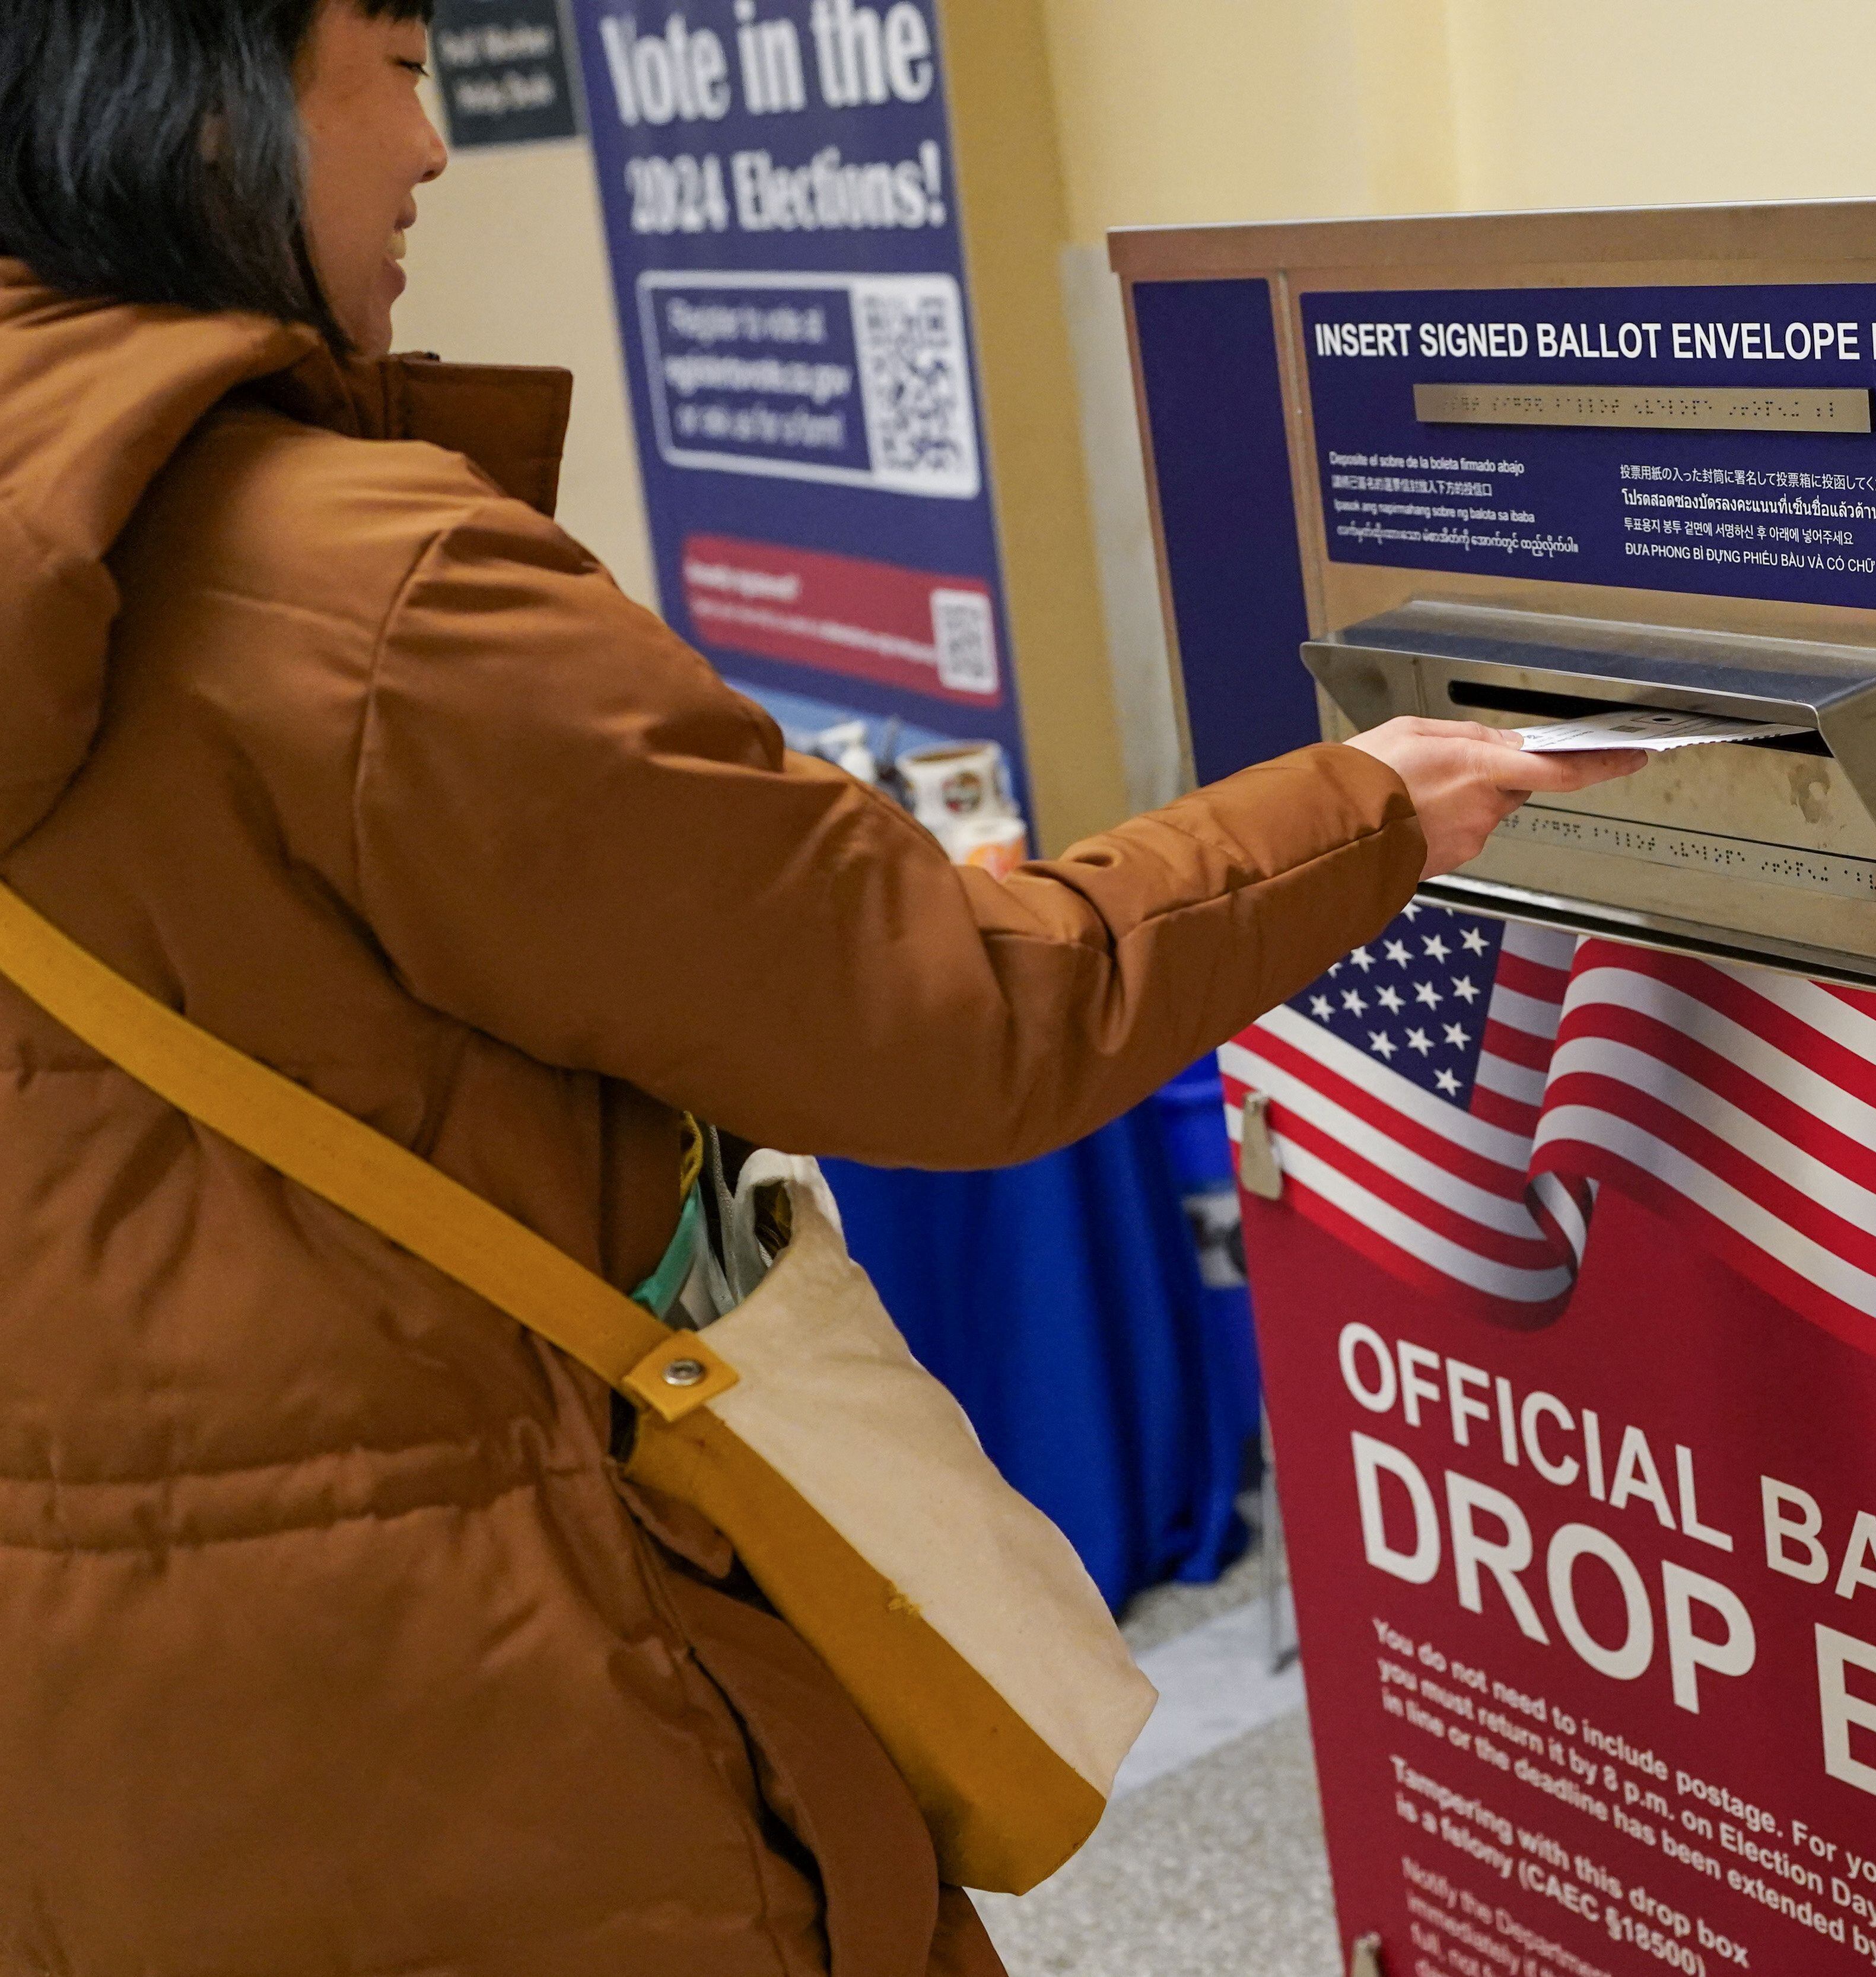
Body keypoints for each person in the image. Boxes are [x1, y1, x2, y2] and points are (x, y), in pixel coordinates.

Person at [0, 2, 1641, 1971]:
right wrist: (1376, 798)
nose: (432, 152)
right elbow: (966, 1026)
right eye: (403, 67)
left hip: (115, 1698)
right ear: (192, 100)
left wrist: (755, 952)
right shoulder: (359, 584)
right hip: (494, 1686)